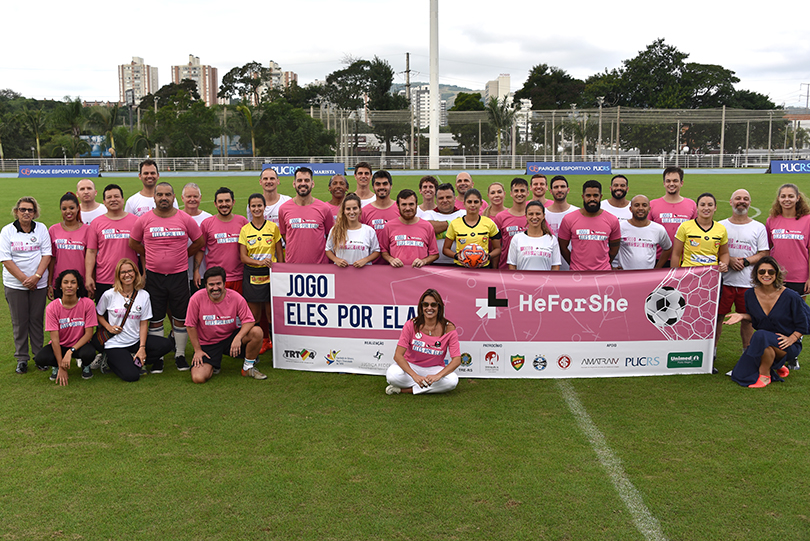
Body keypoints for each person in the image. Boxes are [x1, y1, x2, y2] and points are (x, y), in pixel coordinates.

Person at [130, 181, 204, 373]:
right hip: (154, 277)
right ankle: (158, 358)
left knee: (180, 317)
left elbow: (199, 241)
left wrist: (183, 254)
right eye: (160, 194)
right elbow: (133, 242)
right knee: (155, 318)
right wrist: (149, 252)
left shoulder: (184, 218)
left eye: (167, 195)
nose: (164, 198)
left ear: (173, 197)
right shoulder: (144, 219)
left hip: (179, 276)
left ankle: (179, 355)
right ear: (154, 197)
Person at [726, 257, 810, 388]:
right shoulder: (750, 295)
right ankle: (776, 365)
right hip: (763, 342)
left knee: (759, 335)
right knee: (738, 375)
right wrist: (742, 316)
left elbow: (804, 324)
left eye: (771, 272)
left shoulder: (791, 296)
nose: (766, 275)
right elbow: (757, 319)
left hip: (785, 343)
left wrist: (792, 338)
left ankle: (765, 375)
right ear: (756, 274)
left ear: (776, 274)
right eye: (762, 272)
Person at [95, 259, 173, 382]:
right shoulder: (109, 294)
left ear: (136, 273)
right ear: (118, 275)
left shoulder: (144, 295)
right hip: (115, 343)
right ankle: (110, 360)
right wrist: (109, 327)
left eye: (130, 271)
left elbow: (143, 323)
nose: (127, 275)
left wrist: (142, 348)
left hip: (135, 341)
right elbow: (98, 314)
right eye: (123, 272)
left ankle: (135, 358)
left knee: (166, 344)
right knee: (132, 376)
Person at [187, 266, 265, 383]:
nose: (215, 288)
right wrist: (197, 350)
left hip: (230, 338)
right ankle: (214, 365)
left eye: (218, 284)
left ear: (224, 283)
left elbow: (249, 320)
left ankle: (248, 367)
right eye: (211, 285)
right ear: (206, 285)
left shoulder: (235, 297)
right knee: (198, 378)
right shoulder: (196, 299)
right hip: (208, 343)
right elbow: (190, 325)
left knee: (257, 332)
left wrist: (238, 338)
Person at [1, 197, 51, 374]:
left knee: (37, 320)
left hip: (39, 283)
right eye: (23, 209)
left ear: (35, 212)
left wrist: (36, 277)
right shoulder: (7, 231)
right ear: (16, 211)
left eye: (30, 210)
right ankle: (22, 358)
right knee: (19, 322)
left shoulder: (42, 228)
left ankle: (39, 356)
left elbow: (47, 255)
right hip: (15, 285)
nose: (26, 213)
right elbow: (6, 259)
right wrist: (25, 279)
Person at [717, 189, 769, 351]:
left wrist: (746, 261)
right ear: (731, 202)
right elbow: (713, 251)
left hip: (748, 283)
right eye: (738, 198)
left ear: (750, 203)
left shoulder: (758, 227)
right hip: (723, 281)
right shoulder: (720, 225)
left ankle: (748, 353)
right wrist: (729, 260)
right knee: (717, 318)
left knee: (748, 320)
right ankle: (712, 352)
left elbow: (764, 253)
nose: (742, 201)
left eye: (746, 199)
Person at [385, 288, 461, 395]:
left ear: (439, 307)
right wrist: (414, 376)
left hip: (434, 369)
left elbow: (457, 359)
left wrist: (437, 376)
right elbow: (398, 355)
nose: (429, 308)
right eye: (426, 304)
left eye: (433, 305)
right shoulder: (411, 324)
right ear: (421, 307)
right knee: (392, 375)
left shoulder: (449, 328)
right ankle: (425, 386)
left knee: (452, 381)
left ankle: (405, 390)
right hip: (411, 365)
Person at [34, 269, 98, 383]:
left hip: (79, 346)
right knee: (40, 359)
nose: (69, 286)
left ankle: (85, 365)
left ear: (78, 285)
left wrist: (71, 351)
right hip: (61, 345)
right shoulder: (52, 308)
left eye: (73, 282)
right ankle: (57, 366)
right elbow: (54, 339)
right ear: (60, 286)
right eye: (66, 282)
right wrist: (61, 366)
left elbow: (88, 334)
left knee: (89, 353)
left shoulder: (88, 304)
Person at [239, 193, 283, 355]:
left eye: (259, 205)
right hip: (252, 275)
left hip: (270, 274)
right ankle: (255, 348)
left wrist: (279, 272)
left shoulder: (273, 227)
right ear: (249, 208)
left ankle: (277, 350)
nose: (257, 209)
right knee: (254, 316)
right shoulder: (245, 229)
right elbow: (243, 257)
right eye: (253, 206)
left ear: (265, 207)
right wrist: (259, 263)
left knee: (272, 315)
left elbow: (280, 255)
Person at [86, 184, 140, 303]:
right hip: (105, 279)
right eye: (109, 197)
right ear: (104, 202)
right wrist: (89, 276)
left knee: (131, 318)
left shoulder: (135, 221)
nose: (113, 199)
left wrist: (143, 274)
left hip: (130, 279)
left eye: (116, 196)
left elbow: (143, 250)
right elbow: (91, 251)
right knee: (103, 317)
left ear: (122, 199)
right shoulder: (96, 223)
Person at [558, 180, 621, 271]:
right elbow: (562, 246)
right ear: (583, 197)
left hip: (603, 273)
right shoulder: (569, 219)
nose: (592, 199)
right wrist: (574, 263)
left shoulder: (612, 220)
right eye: (588, 196)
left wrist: (604, 264)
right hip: (578, 274)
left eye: (595, 195)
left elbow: (614, 247)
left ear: (601, 197)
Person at [278, 167, 335, 264]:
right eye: (299, 180)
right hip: (293, 266)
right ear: (294, 184)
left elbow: (330, 235)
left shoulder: (324, 208)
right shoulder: (283, 209)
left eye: (307, 180)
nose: (303, 183)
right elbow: (284, 235)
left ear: (312, 184)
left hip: (319, 267)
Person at [195, 187, 247, 292]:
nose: (224, 204)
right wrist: (196, 271)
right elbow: (200, 249)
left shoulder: (243, 222)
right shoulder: (207, 224)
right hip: (216, 278)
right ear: (215, 203)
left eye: (227, 201)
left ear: (233, 202)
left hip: (240, 277)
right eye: (220, 201)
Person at [766, 183, 810, 296]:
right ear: (779, 198)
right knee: (776, 311)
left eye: (791, 196)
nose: (787, 199)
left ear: (798, 198)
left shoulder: (807, 220)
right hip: (776, 275)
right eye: (783, 196)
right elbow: (767, 248)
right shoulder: (772, 220)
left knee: (798, 311)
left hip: (799, 277)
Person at [47, 192, 91, 300]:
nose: (68, 212)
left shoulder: (88, 230)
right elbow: (51, 259)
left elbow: (91, 258)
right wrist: (50, 284)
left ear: (78, 208)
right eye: (64, 209)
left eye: (71, 208)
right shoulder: (53, 230)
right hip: (60, 283)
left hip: (81, 283)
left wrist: (90, 280)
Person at [380, 190, 439, 268]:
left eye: (411, 204)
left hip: (419, 276)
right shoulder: (389, 226)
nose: (408, 208)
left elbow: (434, 254)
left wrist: (424, 261)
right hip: (396, 275)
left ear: (416, 204)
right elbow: (384, 251)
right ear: (398, 205)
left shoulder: (427, 226)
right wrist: (391, 260)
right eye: (404, 204)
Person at [444, 188, 501, 268]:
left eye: (476, 202)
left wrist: (489, 256)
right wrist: (457, 256)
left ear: (481, 204)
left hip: (483, 268)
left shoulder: (489, 223)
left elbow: (498, 248)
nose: (473, 205)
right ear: (464, 203)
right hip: (461, 268)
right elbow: (446, 249)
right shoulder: (455, 224)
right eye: (469, 202)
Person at [671, 192, 729, 270]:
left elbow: (724, 253)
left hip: (711, 274)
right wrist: (675, 275)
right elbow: (676, 254)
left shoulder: (721, 229)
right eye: (702, 205)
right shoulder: (685, 226)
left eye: (710, 205)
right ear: (697, 207)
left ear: (715, 208)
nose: (706, 208)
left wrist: (724, 264)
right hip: (689, 273)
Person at [649, 166, 696, 259]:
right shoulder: (652, 204)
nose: (671, 184)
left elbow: (696, 232)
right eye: (668, 181)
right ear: (664, 183)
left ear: (681, 183)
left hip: (684, 259)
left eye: (675, 181)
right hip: (658, 258)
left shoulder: (691, 205)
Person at [615, 195, 672, 270]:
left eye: (644, 205)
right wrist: (612, 266)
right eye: (637, 205)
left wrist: (658, 268)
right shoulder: (620, 227)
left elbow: (668, 248)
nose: (640, 208)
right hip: (625, 276)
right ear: (630, 209)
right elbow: (607, 247)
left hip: (647, 278)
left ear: (649, 209)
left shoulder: (658, 229)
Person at [326, 193, 380, 267]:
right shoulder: (335, 230)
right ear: (344, 211)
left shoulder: (369, 230)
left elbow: (376, 251)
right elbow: (328, 249)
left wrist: (365, 260)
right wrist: (336, 260)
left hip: (363, 273)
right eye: (348, 209)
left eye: (354, 208)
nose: (351, 212)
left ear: (360, 210)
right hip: (341, 272)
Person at [507, 201, 561, 271]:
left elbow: (555, 266)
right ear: (526, 216)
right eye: (531, 214)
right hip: (522, 281)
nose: (534, 217)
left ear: (543, 216)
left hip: (545, 281)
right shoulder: (517, 239)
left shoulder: (552, 239)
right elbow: (512, 266)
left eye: (538, 214)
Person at [422, 184, 466, 266]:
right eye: (441, 198)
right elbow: (426, 228)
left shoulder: (464, 213)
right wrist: (453, 225)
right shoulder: (428, 214)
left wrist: (439, 230)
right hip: (433, 264)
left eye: (448, 197)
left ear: (454, 198)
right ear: (436, 200)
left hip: (461, 263)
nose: (445, 200)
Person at [182, 182, 212, 294]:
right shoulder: (176, 217)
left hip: (203, 273)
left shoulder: (208, 218)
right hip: (181, 273)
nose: (192, 199)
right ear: (182, 198)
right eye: (189, 196)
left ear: (200, 198)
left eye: (195, 196)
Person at [493, 178, 529, 269]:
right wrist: (494, 270)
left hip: (529, 268)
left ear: (528, 193)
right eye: (516, 191)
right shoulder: (500, 217)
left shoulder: (535, 216)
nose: (519, 194)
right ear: (511, 194)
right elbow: (496, 247)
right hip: (506, 269)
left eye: (522, 191)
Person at [544, 176, 579, 271]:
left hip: (573, 267)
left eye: (562, 186)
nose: (559, 190)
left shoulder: (578, 213)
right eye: (556, 187)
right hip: (549, 267)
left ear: (568, 190)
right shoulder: (542, 214)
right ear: (550, 191)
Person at [361, 170, 400, 252]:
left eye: (385, 184)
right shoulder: (364, 211)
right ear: (373, 187)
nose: (381, 187)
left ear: (391, 186)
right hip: (372, 262)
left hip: (396, 261)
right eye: (378, 184)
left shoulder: (400, 209)